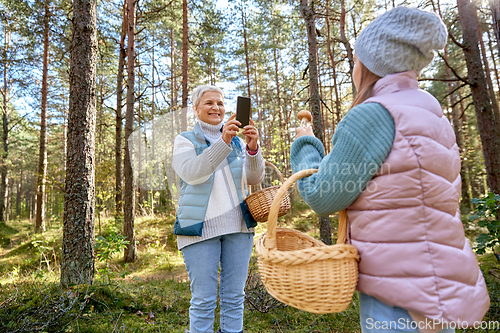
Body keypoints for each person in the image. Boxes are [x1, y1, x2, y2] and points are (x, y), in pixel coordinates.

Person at [290, 7, 489, 333]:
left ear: (370, 64)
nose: (354, 67)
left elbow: (321, 195)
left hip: (397, 292)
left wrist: (306, 145)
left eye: (357, 59)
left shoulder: (374, 115)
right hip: (437, 285)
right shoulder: (430, 111)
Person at [172, 85, 265, 333]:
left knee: (235, 298)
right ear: (196, 109)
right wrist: (223, 141)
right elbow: (193, 173)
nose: (216, 107)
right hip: (199, 229)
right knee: (203, 301)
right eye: (209, 103)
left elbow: (254, 178)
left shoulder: (236, 142)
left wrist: (253, 149)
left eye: (221, 103)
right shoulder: (185, 140)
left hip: (238, 227)